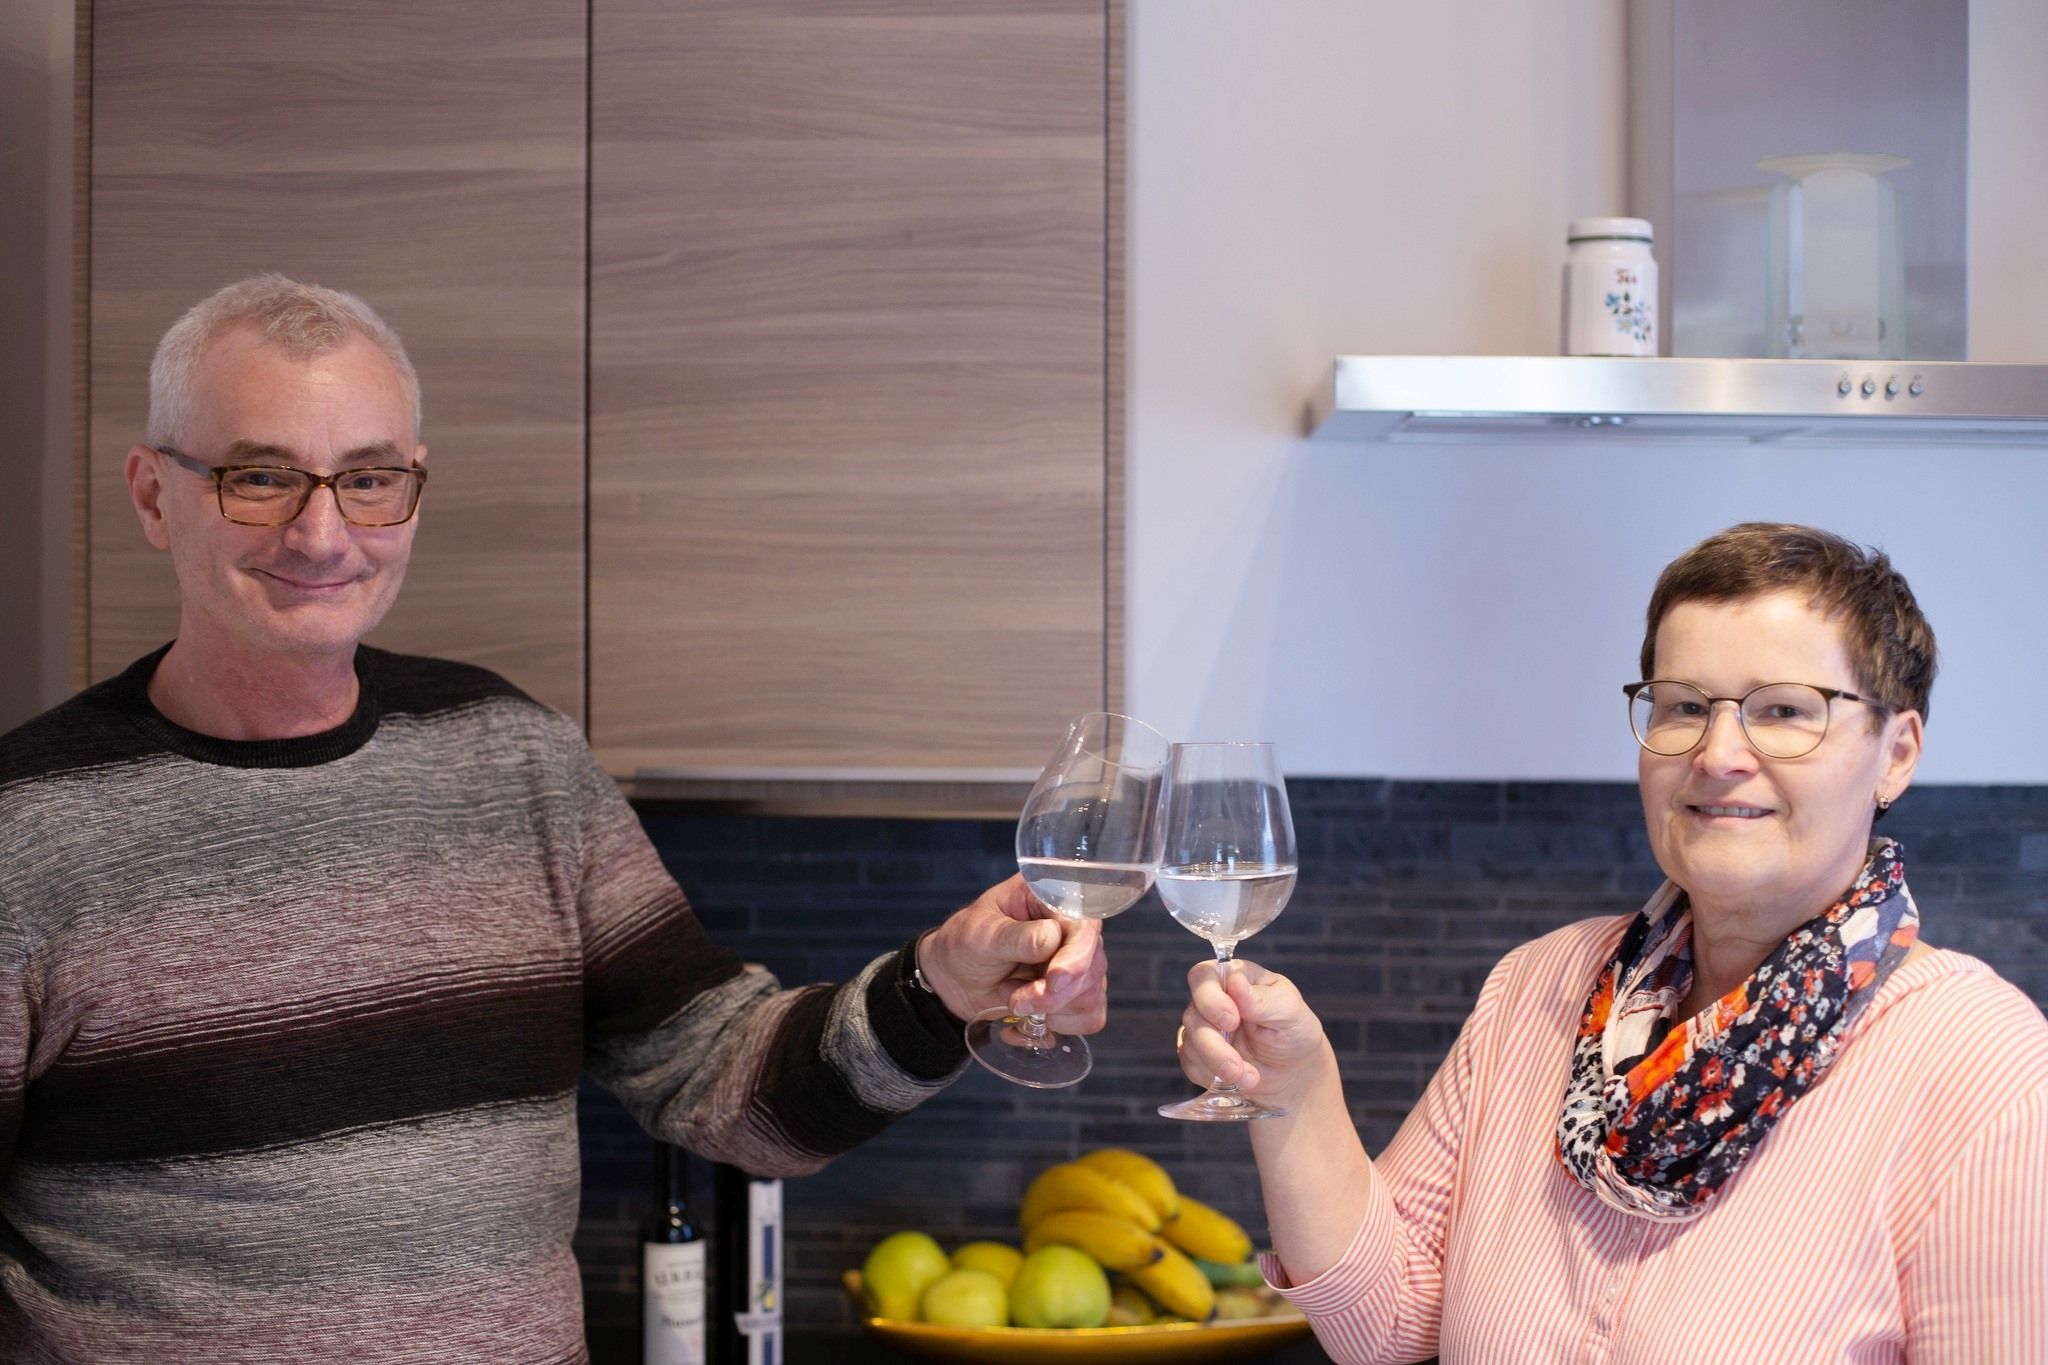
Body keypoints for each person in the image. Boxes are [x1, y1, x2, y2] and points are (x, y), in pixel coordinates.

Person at [0, 274, 1108, 1362]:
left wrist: (937, 987)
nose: (323, 535)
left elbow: (720, 1081)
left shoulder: (514, 757)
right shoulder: (27, 827)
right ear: (153, 495)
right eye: (260, 478)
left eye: (369, 479)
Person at [1177, 523, 2048, 1363]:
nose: (1718, 753)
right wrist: (1294, 1090)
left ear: (1897, 752)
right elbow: (1388, 1322)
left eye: (1784, 710)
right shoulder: (1537, 988)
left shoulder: (1986, 1071)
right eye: (1684, 707)